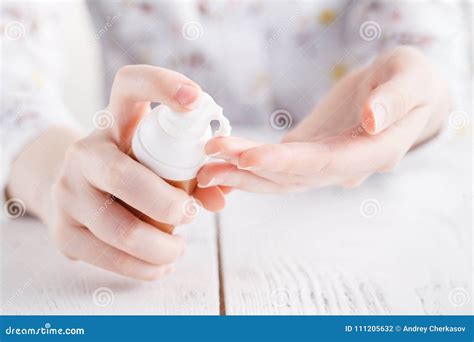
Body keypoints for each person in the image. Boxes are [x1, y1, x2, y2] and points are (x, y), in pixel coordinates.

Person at [1, 1, 467, 280]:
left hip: (383, 214)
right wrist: (55, 173)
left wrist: (414, 95)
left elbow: (429, 45)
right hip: (145, 182)